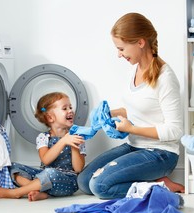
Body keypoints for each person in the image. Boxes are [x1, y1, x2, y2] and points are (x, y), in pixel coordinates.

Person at [77, 12, 185, 200]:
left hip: (161, 153)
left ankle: (158, 186)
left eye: (121, 48)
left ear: (140, 42)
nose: (119, 55)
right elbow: (138, 109)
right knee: (84, 181)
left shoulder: (165, 78)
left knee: (99, 186)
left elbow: (175, 130)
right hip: (135, 147)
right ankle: (153, 182)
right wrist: (108, 113)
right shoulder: (134, 69)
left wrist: (132, 129)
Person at [0, 92, 86, 201]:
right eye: (65, 108)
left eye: (70, 107)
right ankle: (37, 191)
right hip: (44, 176)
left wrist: (73, 144)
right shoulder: (43, 137)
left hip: (67, 181)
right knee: (13, 167)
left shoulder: (77, 137)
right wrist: (63, 142)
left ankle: (17, 192)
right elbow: (46, 160)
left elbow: (78, 168)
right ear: (50, 118)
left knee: (50, 173)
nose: (70, 110)